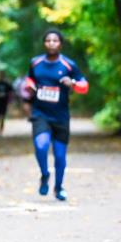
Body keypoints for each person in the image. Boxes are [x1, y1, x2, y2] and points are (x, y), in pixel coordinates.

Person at [24, 29, 88, 201]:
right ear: (44, 43)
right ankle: (44, 174)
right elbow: (29, 80)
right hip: (40, 113)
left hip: (60, 116)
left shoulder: (69, 65)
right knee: (41, 145)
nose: (51, 43)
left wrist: (72, 82)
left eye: (55, 40)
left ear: (60, 43)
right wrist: (29, 86)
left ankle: (58, 188)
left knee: (60, 156)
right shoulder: (35, 63)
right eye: (48, 40)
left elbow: (84, 85)